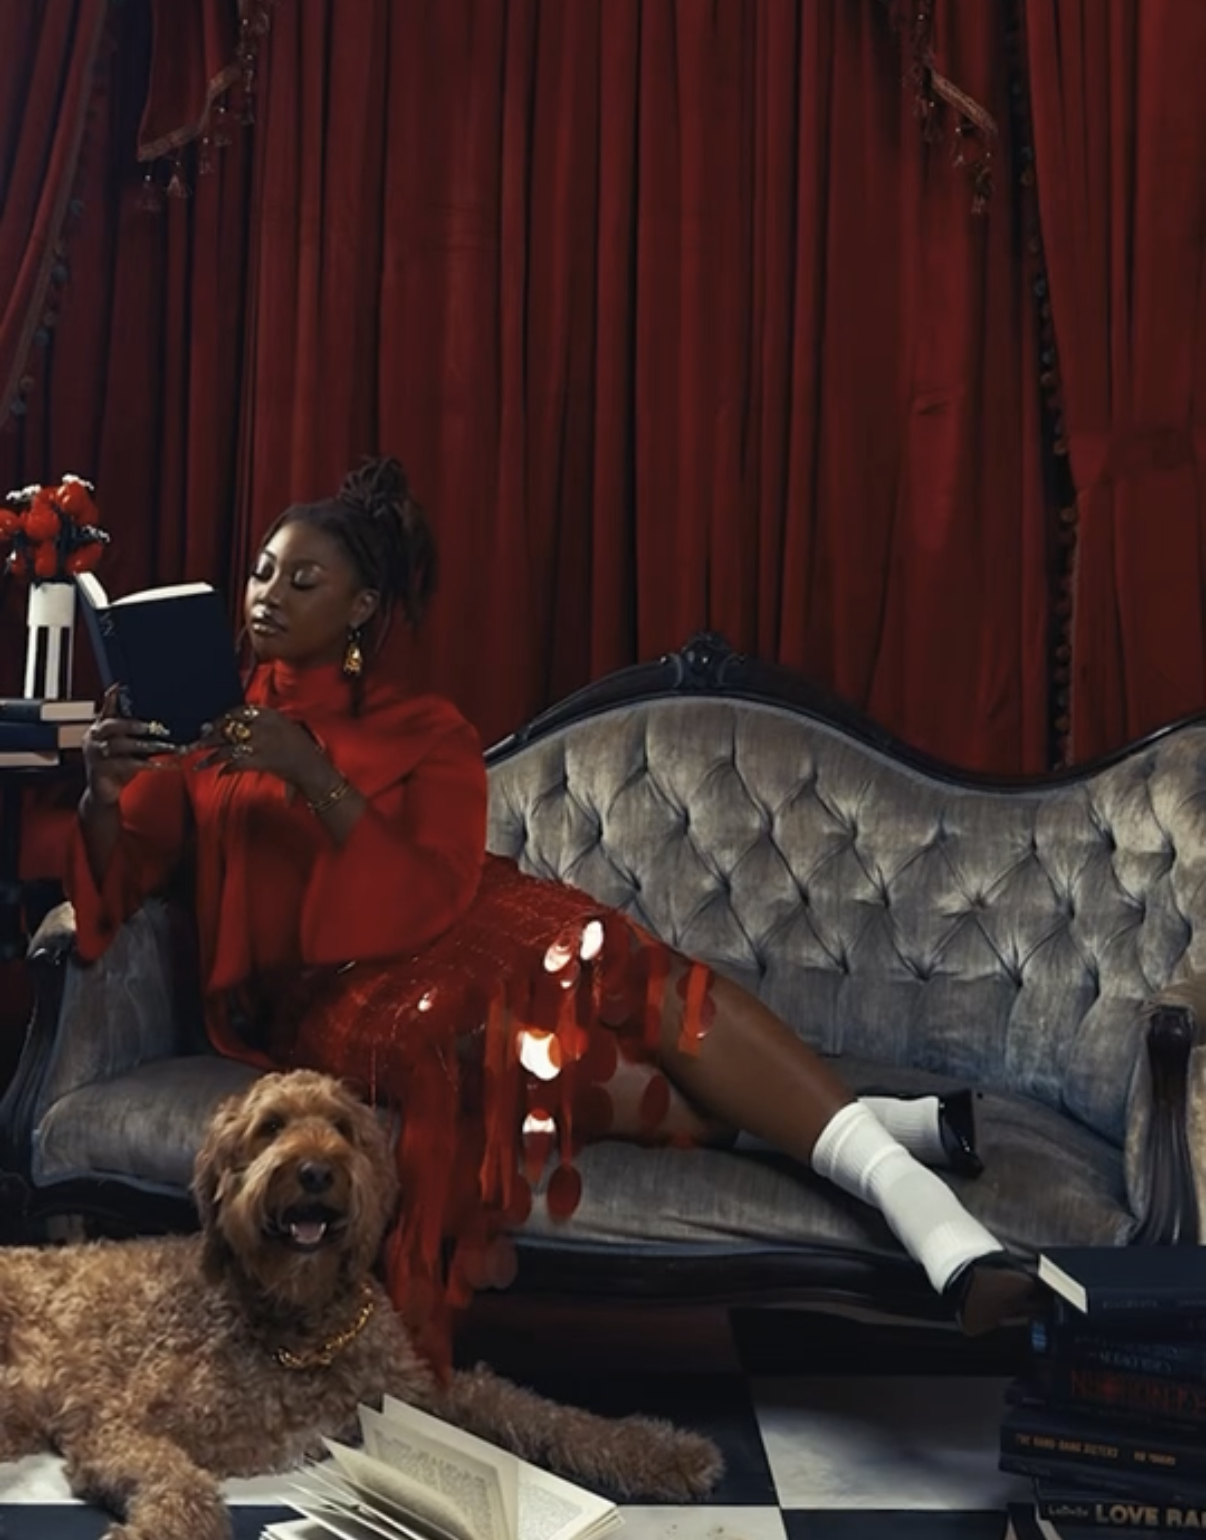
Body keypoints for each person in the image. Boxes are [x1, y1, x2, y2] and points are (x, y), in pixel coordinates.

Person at [70, 457, 1041, 1356]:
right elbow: (131, 873)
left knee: (642, 979)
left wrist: (312, 774)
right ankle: (868, 1126)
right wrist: (104, 795)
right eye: (261, 574)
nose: (268, 598)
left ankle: (922, 1209)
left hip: (459, 923)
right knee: (512, 1051)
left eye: (301, 581)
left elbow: (426, 894)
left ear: (361, 607)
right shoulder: (205, 741)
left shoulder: (428, 729)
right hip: (342, 1000)